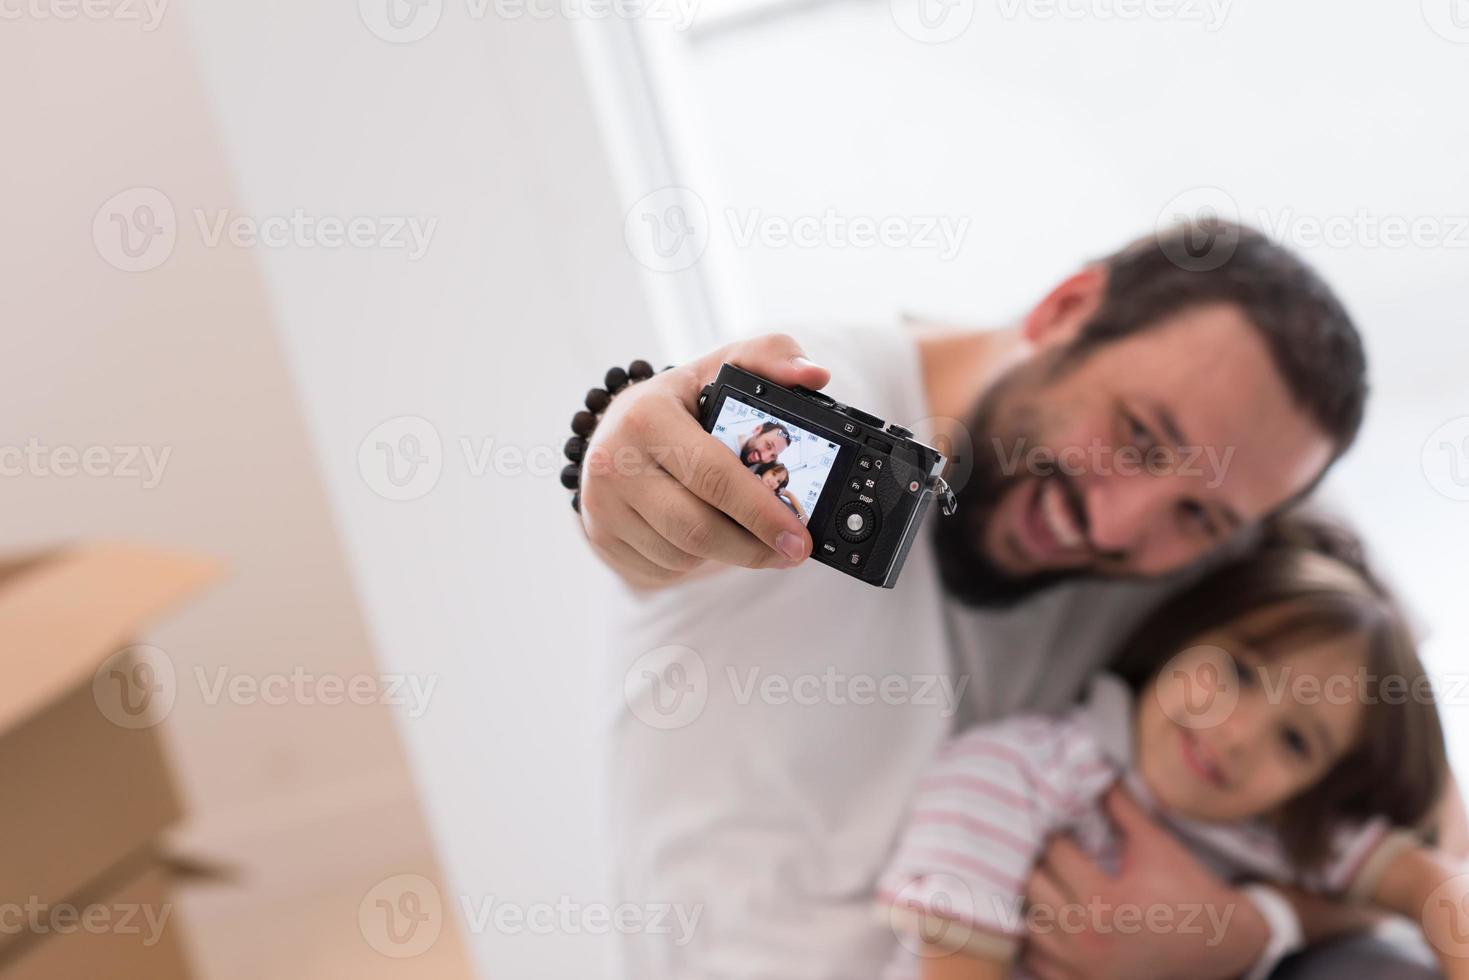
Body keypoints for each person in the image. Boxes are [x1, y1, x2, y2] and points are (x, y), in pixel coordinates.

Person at [580, 219, 1462, 979]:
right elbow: (650, 470)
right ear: (1065, 309)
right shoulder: (828, 398)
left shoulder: (1245, 496)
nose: (1115, 527)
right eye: (1139, 439)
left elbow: (1435, 837)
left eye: (1198, 514)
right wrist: (622, 460)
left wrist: (1248, 930)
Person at [879, 516, 1460, 979]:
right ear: (1186, 633)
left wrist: (1268, 922)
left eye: (1295, 740)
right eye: (1239, 672)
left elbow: (1437, 887)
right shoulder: (1012, 775)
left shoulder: (1284, 827)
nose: (1235, 735)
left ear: (1320, 780)